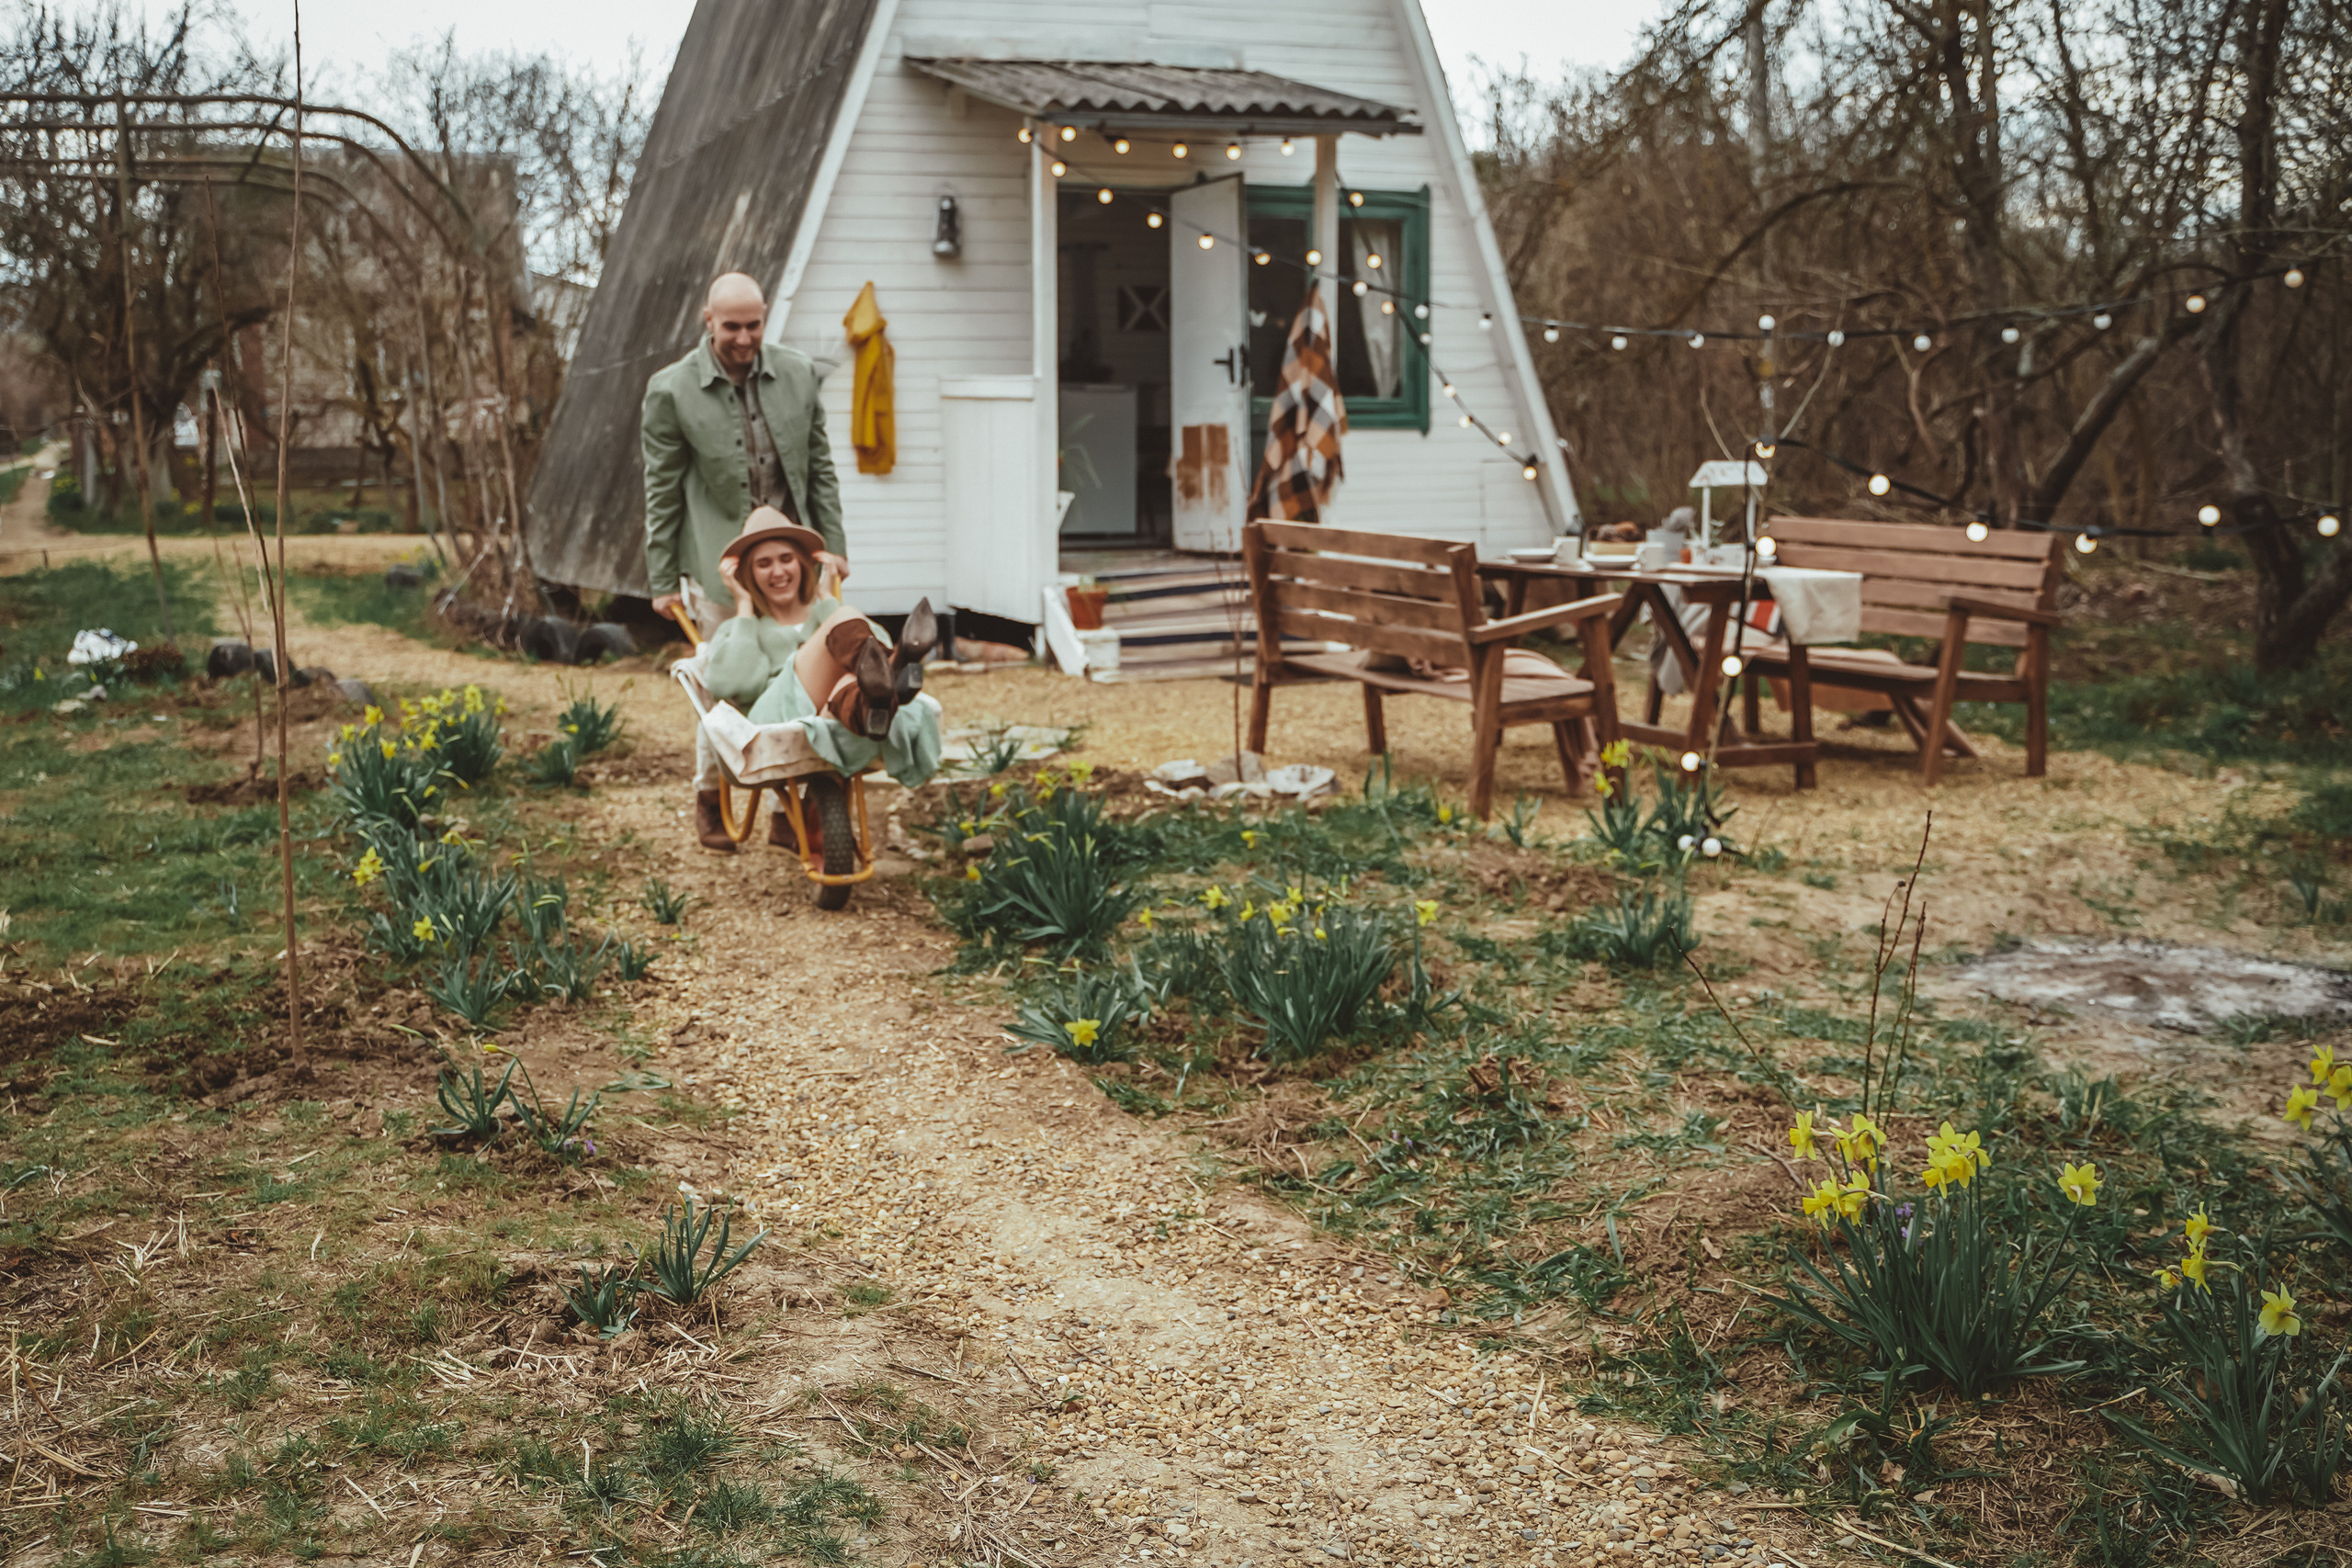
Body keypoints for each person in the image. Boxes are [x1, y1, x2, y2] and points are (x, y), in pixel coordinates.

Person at [645, 271, 857, 849]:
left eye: (754, 325)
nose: (744, 338)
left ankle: (791, 812)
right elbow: (661, 489)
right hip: (723, 564)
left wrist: (831, 546)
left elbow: (821, 469)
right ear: (708, 321)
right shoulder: (671, 390)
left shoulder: (795, 376)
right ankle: (710, 795)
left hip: (792, 561)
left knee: (807, 679)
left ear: (766, 318)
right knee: (725, 686)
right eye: (732, 326)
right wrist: (664, 578)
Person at [699, 511, 940, 849]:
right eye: (763, 564)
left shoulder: (826, 614)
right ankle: (894, 667)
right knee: (849, 629)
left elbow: (869, 642)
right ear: (747, 576)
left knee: (852, 677)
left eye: (787, 559)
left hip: (831, 714)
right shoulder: (741, 628)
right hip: (771, 720)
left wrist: (826, 599)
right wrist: (743, 607)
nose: (778, 571)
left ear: (802, 565)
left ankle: (871, 703)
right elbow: (732, 685)